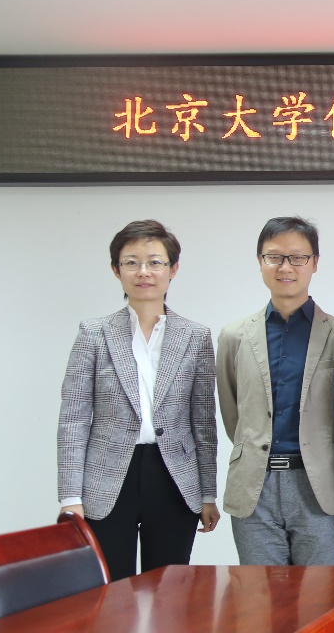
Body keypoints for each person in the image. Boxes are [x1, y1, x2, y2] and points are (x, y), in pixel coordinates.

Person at [57, 219, 218, 578]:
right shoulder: (94, 333)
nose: (144, 271)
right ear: (117, 270)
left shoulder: (195, 336)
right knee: (112, 590)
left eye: (155, 262)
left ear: (173, 269)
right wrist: (70, 498)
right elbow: (73, 420)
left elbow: (203, 422)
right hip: (107, 478)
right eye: (131, 262)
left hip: (174, 478)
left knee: (170, 590)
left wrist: (208, 493)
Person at [216, 217, 334, 565]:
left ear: (315, 263)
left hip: (320, 484)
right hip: (254, 486)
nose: (285, 267)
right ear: (260, 261)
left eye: (298, 257)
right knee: (260, 595)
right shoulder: (234, 337)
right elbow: (233, 413)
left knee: (323, 593)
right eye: (274, 257)